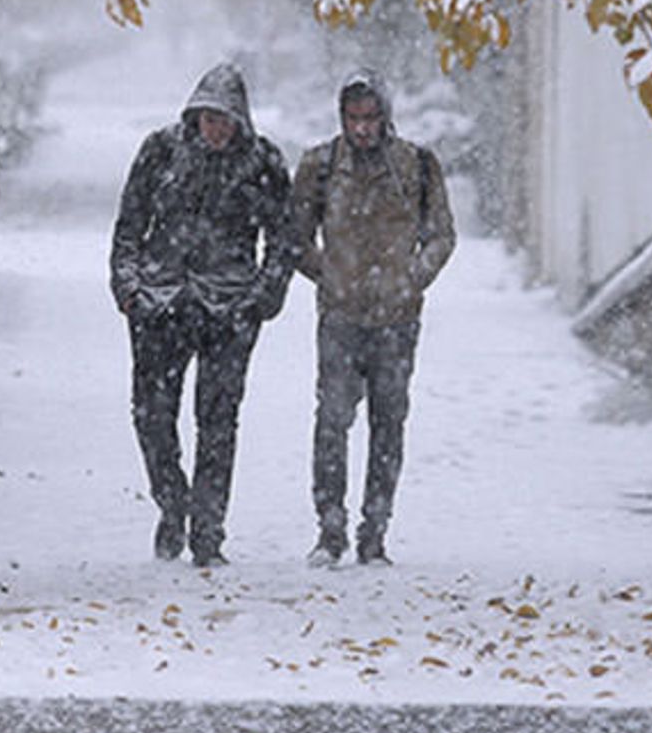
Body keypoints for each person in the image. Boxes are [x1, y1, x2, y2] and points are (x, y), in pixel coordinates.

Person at [110, 62, 297, 568]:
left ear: (241, 120)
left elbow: (284, 238)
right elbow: (129, 222)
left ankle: (208, 531)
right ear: (194, 116)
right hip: (160, 303)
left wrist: (264, 296)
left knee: (217, 422)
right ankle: (173, 503)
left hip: (230, 307)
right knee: (151, 417)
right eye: (208, 119)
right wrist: (128, 288)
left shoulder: (263, 161)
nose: (216, 129)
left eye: (225, 120)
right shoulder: (160, 150)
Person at [290, 69, 455, 567]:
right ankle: (330, 527)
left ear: (385, 116)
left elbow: (442, 234)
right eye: (353, 118)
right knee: (332, 421)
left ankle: (375, 529)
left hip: (396, 318)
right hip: (341, 316)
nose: (361, 128)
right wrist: (330, 274)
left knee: (389, 424)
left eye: (370, 117)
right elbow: (295, 236)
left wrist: (411, 277)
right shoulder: (319, 166)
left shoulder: (416, 167)